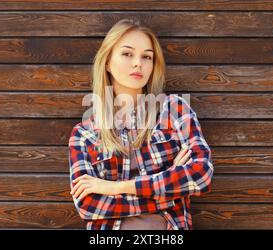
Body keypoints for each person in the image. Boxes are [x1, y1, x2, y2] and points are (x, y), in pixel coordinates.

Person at [69, 19, 214, 230]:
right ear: (107, 62)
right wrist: (169, 190)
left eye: (146, 57)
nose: (138, 63)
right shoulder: (84, 134)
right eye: (127, 54)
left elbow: (201, 173)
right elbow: (88, 206)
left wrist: (115, 187)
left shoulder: (173, 110)